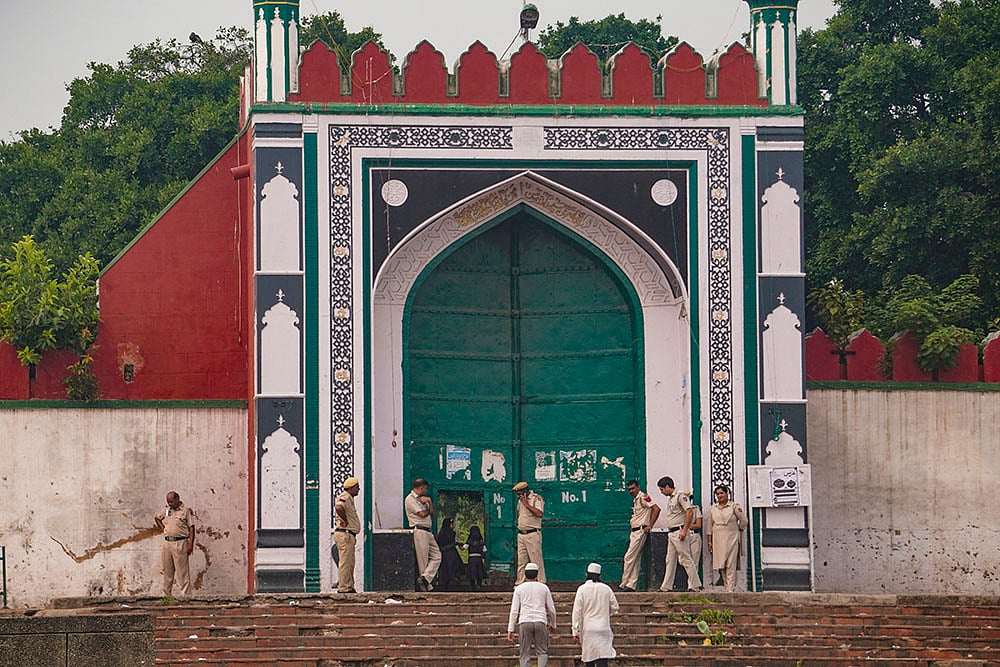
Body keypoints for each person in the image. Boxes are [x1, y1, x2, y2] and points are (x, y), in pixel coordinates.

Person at [507, 562, 557, 667]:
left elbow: (514, 610)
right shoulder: (544, 588)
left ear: (525, 574)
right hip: (540, 620)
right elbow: (551, 609)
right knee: (542, 651)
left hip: (525, 621)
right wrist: (553, 624)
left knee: (524, 652)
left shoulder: (519, 589)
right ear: (537, 574)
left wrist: (510, 628)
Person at [657, 476, 702, 592]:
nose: (661, 492)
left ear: (667, 487)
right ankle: (666, 586)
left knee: (685, 558)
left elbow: (689, 511)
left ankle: (695, 584)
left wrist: (684, 530)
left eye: (662, 489)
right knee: (669, 559)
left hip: (679, 531)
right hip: (672, 532)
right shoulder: (671, 498)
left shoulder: (680, 496)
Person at [572, 562, 619, 667]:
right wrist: (606, 614)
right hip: (603, 628)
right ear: (599, 575)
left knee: (589, 659)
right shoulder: (606, 588)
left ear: (586, 574)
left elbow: (577, 612)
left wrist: (575, 631)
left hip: (588, 629)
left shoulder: (582, 589)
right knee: (603, 659)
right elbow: (615, 607)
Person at [619, 479, 660, 592]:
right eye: (629, 489)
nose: (631, 491)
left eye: (633, 488)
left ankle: (623, 583)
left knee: (629, 557)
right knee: (635, 559)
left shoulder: (643, 497)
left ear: (638, 487)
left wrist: (650, 525)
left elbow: (656, 509)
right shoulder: (636, 500)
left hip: (640, 531)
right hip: (635, 531)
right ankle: (631, 585)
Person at [706, 484, 748, 592]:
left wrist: (739, 529)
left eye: (722, 493)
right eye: (717, 494)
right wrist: (709, 542)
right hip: (718, 540)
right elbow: (709, 527)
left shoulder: (734, 506)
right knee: (721, 564)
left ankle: (730, 589)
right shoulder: (713, 509)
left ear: (727, 494)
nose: (720, 496)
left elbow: (744, 521)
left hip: (731, 538)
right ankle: (726, 586)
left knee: (730, 563)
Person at [154, 491, 195, 598]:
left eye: (171, 502)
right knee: (167, 570)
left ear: (177, 499)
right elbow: (157, 518)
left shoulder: (185, 511)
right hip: (167, 543)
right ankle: (166, 596)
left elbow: (191, 528)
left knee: (182, 572)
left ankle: (185, 596)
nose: (170, 504)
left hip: (180, 542)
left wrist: (190, 544)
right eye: (168, 502)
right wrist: (164, 529)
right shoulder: (167, 510)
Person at [404, 477, 441, 591]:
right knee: (423, 560)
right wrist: (428, 505)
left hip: (428, 530)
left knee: (437, 556)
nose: (425, 491)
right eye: (424, 489)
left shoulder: (423, 499)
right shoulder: (410, 499)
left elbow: (432, 512)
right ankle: (425, 586)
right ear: (421, 487)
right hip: (419, 530)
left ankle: (425, 578)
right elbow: (422, 514)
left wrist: (429, 502)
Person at [513, 481, 546, 584]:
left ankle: (541, 582)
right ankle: (520, 583)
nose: (519, 496)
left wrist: (526, 504)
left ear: (525, 491)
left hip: (532, 533)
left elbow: (539, 513)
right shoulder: (519, 501)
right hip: (521, 534)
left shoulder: (536, 498)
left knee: (536, 560)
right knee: (521, 562)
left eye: (520, 493)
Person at [334, 477, 361, 593]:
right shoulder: (345, 496)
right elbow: (339, 507)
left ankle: (349, 585)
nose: (358, 489)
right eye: (357, 487)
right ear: (351, 488)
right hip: (345, 534)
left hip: (349, 535)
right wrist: (344, 520)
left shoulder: (349, 498)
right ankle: (344, 587)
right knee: (345, 562)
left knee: (350, 562)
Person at [436, 517, 465, 590]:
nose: (453, 525)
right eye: (452, 524)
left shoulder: (450, 533)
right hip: (447, 553)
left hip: (450, 553)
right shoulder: (444, 534)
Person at [463, 525, 488, 591]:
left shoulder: (469, 542)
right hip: (479, 558)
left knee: (472, 573)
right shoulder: (481, 542)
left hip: (471, 559)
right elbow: (485, 551)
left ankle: (473, 587)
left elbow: (463, 548)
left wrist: (458, 544)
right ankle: (479, 585)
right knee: (479, 573)